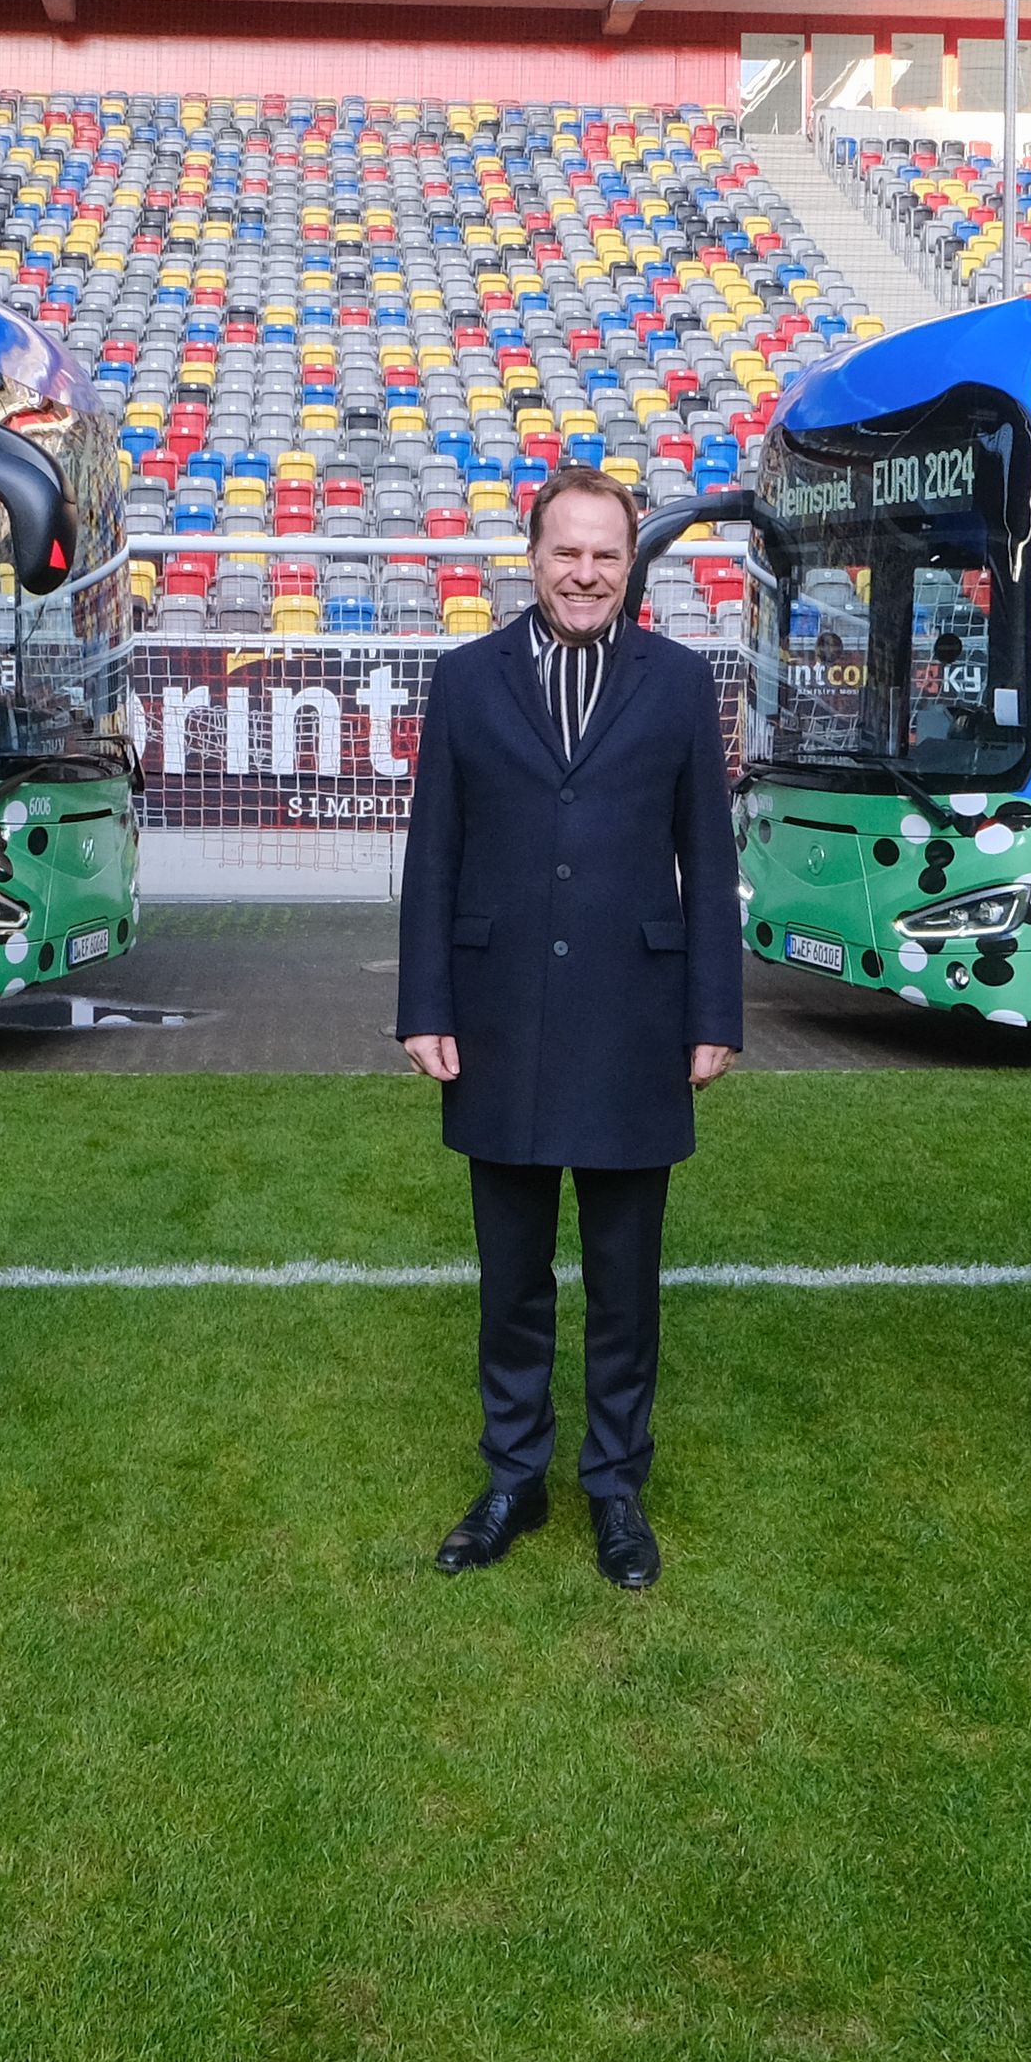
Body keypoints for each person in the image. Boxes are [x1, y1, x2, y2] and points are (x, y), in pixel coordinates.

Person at [396, 469, 744, 1587]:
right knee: (513, 1279)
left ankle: (615, 1488)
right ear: (530, 554)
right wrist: (425, 1006)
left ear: (631, 561)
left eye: (606, 554)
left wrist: (714, 1014)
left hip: (638, 1024)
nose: (586, 572)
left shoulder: (684, 682)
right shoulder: (463, 679)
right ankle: (512, 1478)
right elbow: (432, 855)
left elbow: (709, 856)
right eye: (567, 552)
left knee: (624, 1280)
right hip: (494, 1021)